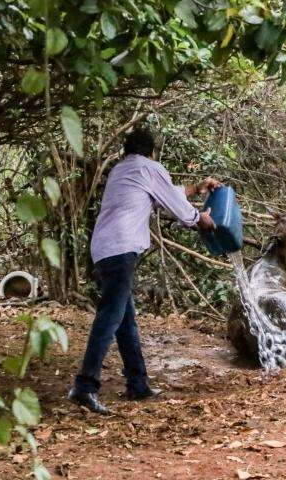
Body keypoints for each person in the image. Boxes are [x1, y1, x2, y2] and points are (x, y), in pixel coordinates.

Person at [69, 128, 220, 414]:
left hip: (103, 249)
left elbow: (166, 192)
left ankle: (138, 384)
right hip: (121, 249)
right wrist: (202, 220)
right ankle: (84, 385)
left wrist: (197, 188)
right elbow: (177, 206)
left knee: (126, 321)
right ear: (152, 151)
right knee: (110, 317)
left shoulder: (121, 170)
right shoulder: (149, 167)